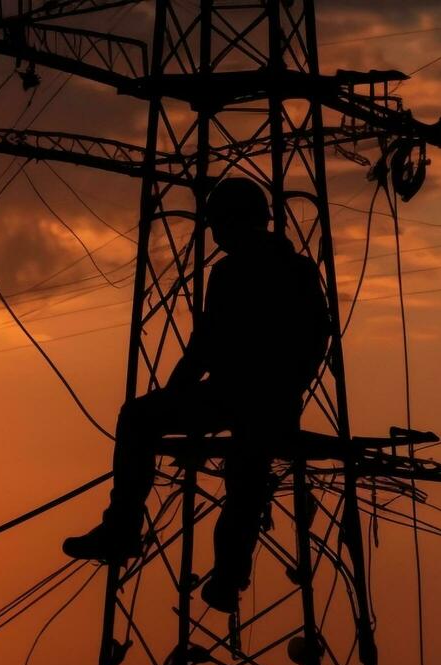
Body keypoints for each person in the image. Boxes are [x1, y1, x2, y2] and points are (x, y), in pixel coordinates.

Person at [61, 177, 330, 612]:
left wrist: (174, 401)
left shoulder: (245, 271)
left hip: (251, 398)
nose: (216, 235)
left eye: (219, 225)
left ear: (235, 223)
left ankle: (130, 533)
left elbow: (207, 347)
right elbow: (313, 338)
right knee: (243, 473)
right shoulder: (287, 269)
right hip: (254, 398)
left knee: (163, 429)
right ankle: (224, 573)